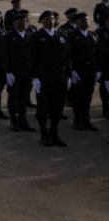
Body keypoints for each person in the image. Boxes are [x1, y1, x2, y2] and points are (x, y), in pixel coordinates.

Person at [31, 11, 70, 147]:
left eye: (53, 19)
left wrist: (69, 75)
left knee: (58, 107)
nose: (51, 21)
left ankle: (54, 133)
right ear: (41, 21)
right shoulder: (37, 37)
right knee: (43, 108)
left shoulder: (61, 36)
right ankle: (44, 134)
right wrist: (35, 77)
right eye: (47, 19)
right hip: (44, 78)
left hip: (59, 77)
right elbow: (32, 58)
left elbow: (67, 57)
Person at [3, 11, 35, 132]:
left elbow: (33, 55)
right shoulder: (9, 36)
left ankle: (23, 119)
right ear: (15, 23)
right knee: (13, 96)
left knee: (24, 96)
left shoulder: (30, 35)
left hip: (27, 72)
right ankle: (13, 119)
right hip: (14, 72)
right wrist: (8, 72)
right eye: (21, 21)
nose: (24, 23)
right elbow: (5, 56)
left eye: (26, 21)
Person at [67, 12, 98, 132]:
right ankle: (77, 120)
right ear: (77, 22)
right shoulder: (72, 36)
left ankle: (86, 120)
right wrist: (72, 70)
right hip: (78, 72)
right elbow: (68, 55)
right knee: (78, 97)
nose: (87, 22)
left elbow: (96, 54)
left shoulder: (92, 35)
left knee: (87, 97)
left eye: (88, 19)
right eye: (84, 20)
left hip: (90, 72)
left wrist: (97, 70)